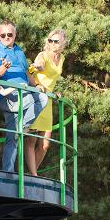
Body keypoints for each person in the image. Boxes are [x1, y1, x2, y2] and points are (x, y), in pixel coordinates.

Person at [0, 20, 48, 173]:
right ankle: (24, 128)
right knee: (41, 98)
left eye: (9, 34)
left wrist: (36, 85)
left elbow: (27, 73)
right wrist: (3, 67)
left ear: (15, 35)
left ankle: (8, 172)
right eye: (3, 35)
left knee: (12, 137)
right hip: (9, 95)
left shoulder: (19, 51)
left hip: (24, 92)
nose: (6, 37)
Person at [25, 29, 68, 175]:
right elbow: (39, 65)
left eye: (56, 41)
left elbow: (53, 78)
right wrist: (38, 66)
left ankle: (31, 173)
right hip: (37, 96)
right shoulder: (42, 55)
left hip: (48, 99)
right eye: (50, 40)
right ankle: (33, 175)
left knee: (45, 144)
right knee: (31, 140)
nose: (52, 44)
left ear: (63, 43)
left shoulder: (61, 58)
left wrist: (54, 92)